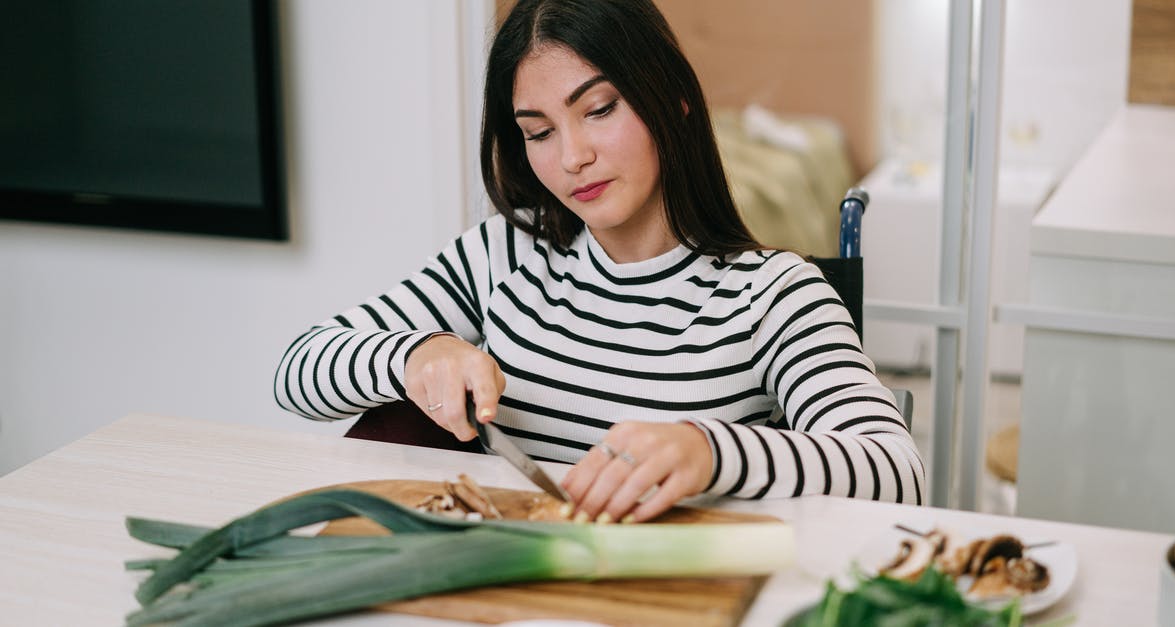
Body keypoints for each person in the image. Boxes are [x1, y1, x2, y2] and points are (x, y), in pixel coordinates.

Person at [275, 0, 925, 523]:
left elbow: (898, 471)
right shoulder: (502, 254)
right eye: (539, 131)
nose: (572, 156)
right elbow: (297, 369)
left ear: (673, 101)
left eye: (599, 109)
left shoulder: (774, 293)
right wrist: (416, 355)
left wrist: (709, 450)